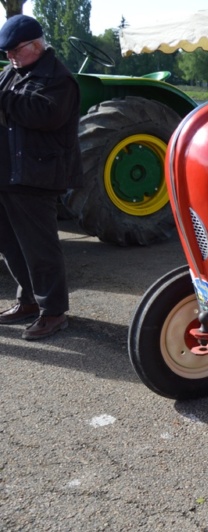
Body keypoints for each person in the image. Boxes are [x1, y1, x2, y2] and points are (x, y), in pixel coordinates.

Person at [0, 15, 82, 340]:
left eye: (15, 50)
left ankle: (53, 312)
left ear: (36, 45)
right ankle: (30, 301)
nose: (10, 57)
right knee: (10, 245)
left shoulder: (58, 79)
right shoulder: (13, 73)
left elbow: (43, 114)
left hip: (37, 176)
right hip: (8, 175)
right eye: (6, 53)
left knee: (40, 249)